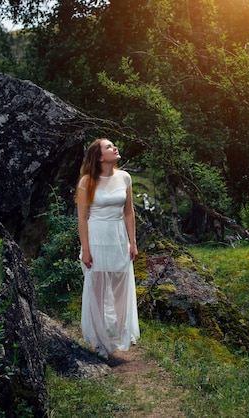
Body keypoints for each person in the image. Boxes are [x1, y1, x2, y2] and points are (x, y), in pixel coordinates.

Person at [75, 138, 140, 359]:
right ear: (100, 156)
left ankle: (121, 333)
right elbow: (82, 218)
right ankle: (101, 341)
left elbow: (128, 212)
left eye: (114, 146)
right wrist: (85, 249)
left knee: (121, 286)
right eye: (109, 147)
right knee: (98, 287)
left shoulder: (125, 177)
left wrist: (133, 241)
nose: (115, 148)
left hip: (118, 236)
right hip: (96, 236)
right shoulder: (87, 181)